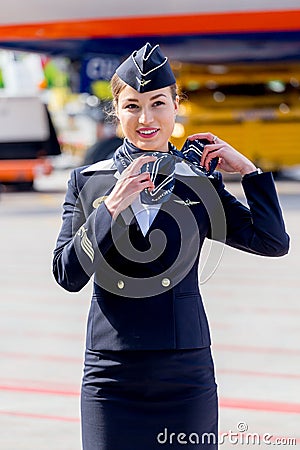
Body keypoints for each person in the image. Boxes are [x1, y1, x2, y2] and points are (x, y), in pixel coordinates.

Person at [52, 43, 289, 450]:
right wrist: (110, 208)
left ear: (176, 105)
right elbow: (68, 274)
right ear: (116, 111)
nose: (146, 118)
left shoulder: (197, 181)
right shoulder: (88, 182)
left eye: (158, 103)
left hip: (185, 371)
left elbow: (271, 242)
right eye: (133, 106)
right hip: (111, 373)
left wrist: (249, 172)